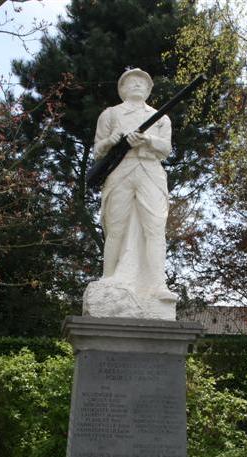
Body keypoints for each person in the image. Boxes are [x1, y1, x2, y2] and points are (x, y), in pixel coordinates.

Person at [93, 68, 175, 301]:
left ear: (149, 89)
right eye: (132, 82)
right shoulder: (110, 115)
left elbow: (166, 149)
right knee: (115, 225)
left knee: (155, 227)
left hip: (150, 170)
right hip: (121, 170)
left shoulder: (161, 117)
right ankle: (108, 278)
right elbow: (98, 150)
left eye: (142, 82)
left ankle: (158, 284)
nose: (138, 85)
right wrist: (114, 140)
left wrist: (146, 139)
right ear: (122, 89)